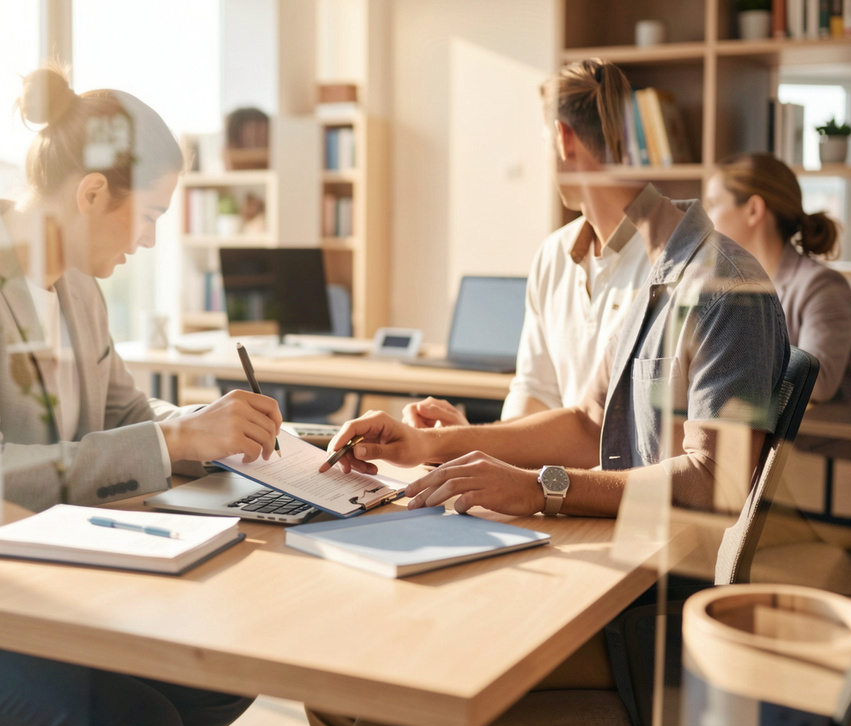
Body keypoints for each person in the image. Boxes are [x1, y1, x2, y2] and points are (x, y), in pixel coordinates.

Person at [0, 66, 277, 726]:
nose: (150, 240)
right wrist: (175, 439)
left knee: (223, 677)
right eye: (150, 216)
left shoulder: (77, 289)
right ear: (93, 193)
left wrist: (211, 426)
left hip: (44, 584)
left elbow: (128, 417)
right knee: (135, 717)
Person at [327, 59, 789, 521]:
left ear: (563, 139)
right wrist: (430, 443)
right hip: (620, 530)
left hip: (668, 563)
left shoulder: (724, 286)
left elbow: (716, 478)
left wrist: (538, 488)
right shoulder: (658, 270)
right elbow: (590, 424)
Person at [704, 152, 851, 578]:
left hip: (840, 494)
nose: (707, 219)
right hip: (786, 482)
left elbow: (816, 384)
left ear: (753, 209)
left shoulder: (821, 287)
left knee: (696, 537)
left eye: (714, 204)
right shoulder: (742, 292)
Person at [403, 154, 650, 429]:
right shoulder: (553, 253)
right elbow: (534, 390)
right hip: (554, 464)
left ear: (562, 138)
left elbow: (603, 429)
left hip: (615, 469)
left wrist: (472, 441)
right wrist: (475, 443)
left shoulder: (666, 257)